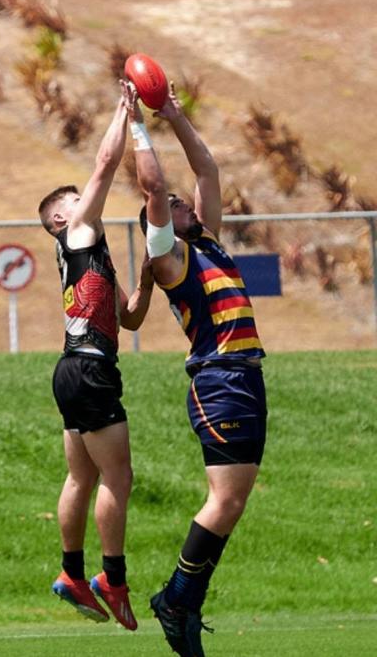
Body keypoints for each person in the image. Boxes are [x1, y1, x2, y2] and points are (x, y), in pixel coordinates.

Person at [122, 80, 267, 656]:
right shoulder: (169, 260)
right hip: (219, 378)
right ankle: (178, 598)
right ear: (156, 227)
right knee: (224, 500)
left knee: (233, 501)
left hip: (246, 376)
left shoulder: (205, 241)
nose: (184, 199)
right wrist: (136, 122)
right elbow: (154, 184)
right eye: (172, 206)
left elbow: (205, 170)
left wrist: (175, 114)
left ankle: (183, 599)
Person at [38, 90, 154, 632]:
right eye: (77, 198)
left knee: (80, 477)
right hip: (88, 368)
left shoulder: (94, 255)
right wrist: (124, 113)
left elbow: (130, 317)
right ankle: (112, 577)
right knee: (119, 476)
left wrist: (151, 271)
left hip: (73, 367)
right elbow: (106, 162)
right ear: (61, 217)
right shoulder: (77, 230)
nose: (89, 200)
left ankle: (71, 574)